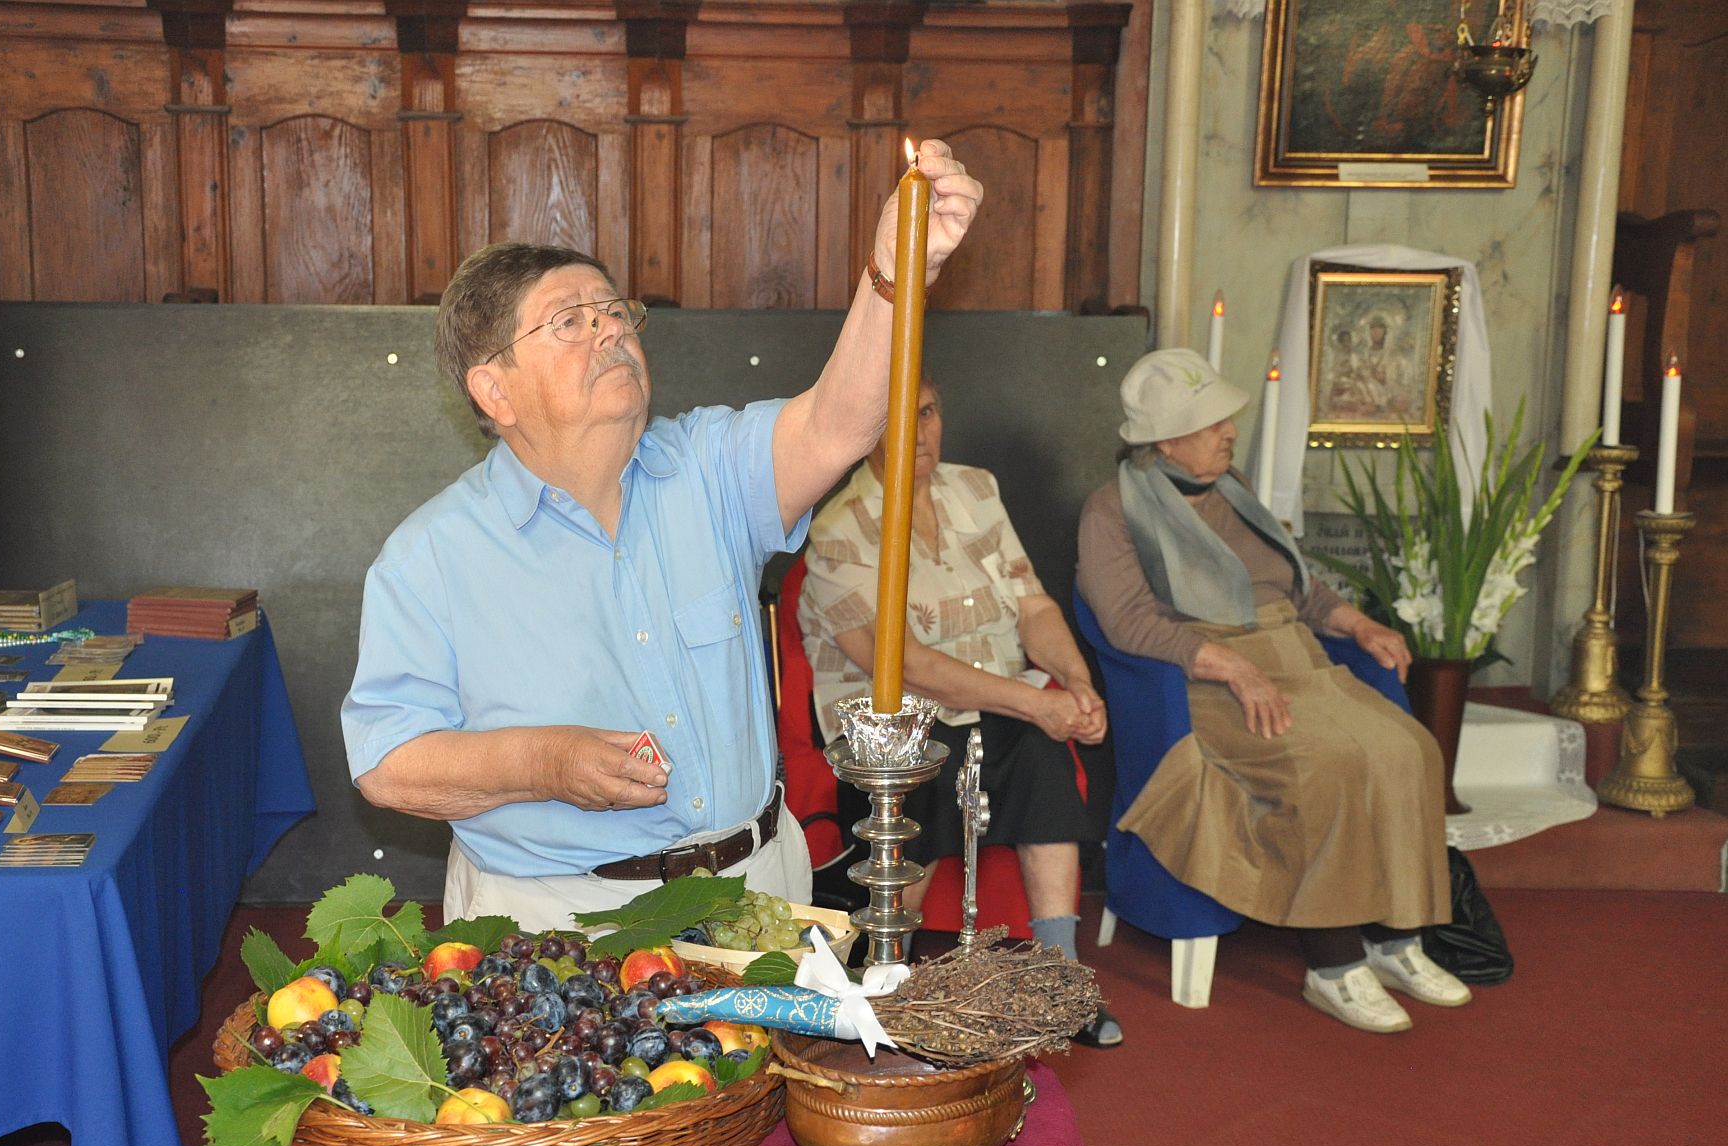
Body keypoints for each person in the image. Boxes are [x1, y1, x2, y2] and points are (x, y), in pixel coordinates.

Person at [341, 142, 983, 933]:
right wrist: (546, 762)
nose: (609, 331)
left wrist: (896, 269)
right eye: (569, 322)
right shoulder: (431, 556)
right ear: (492, 387)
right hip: (563, 920)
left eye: (615, 312)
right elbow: (388, 764)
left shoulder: (708, 469)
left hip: (757, 891)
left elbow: (839, 421)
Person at [1074, 347, 1469, 1034]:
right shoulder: (1111, 510)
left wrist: (1358, 623)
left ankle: (1395, 939)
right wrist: (1228, 664)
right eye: (1210, 423)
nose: (1229, 431)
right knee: (1322, 765)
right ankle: (1334, 962)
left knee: (1410, 749)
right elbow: (1126, 622)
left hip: (1297, 658)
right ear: (1164, 439)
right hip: (1208, 678)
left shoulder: (1234, 485)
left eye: (1226, 419)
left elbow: (1299, 587)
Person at [799, 375, 1122, 1049]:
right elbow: (907, 664)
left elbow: (1032, 605)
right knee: (930, 781)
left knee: (1039, 758)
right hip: (889, 728)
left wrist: (1075, 679)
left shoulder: (975, 488)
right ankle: (892, 988)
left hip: (995, 703)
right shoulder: (836, 529)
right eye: (897, 419)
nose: (919, 431)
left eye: (928, 412)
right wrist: (1036, 701)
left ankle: (1061, 981)